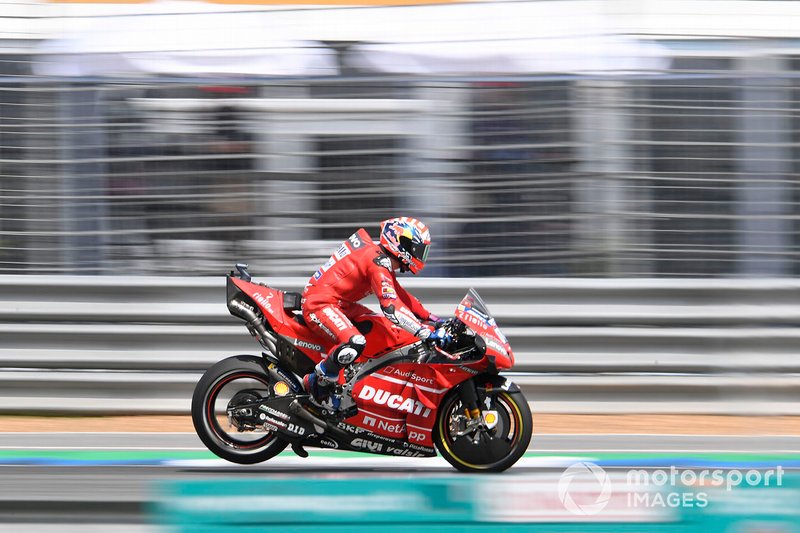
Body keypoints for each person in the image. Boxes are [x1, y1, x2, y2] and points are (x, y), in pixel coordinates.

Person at [301, 217, 449, 408]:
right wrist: (424, 332)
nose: (420, 256)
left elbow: (402, 297)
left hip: (341, 304)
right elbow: (391, 307)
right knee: (354, 342)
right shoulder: (377, 261)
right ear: (400, 243)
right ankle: (316, 383)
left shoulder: (382, 260)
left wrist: (433, 319)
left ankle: (352, 381)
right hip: (319, 303)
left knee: (381, 329)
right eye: (418, 249)